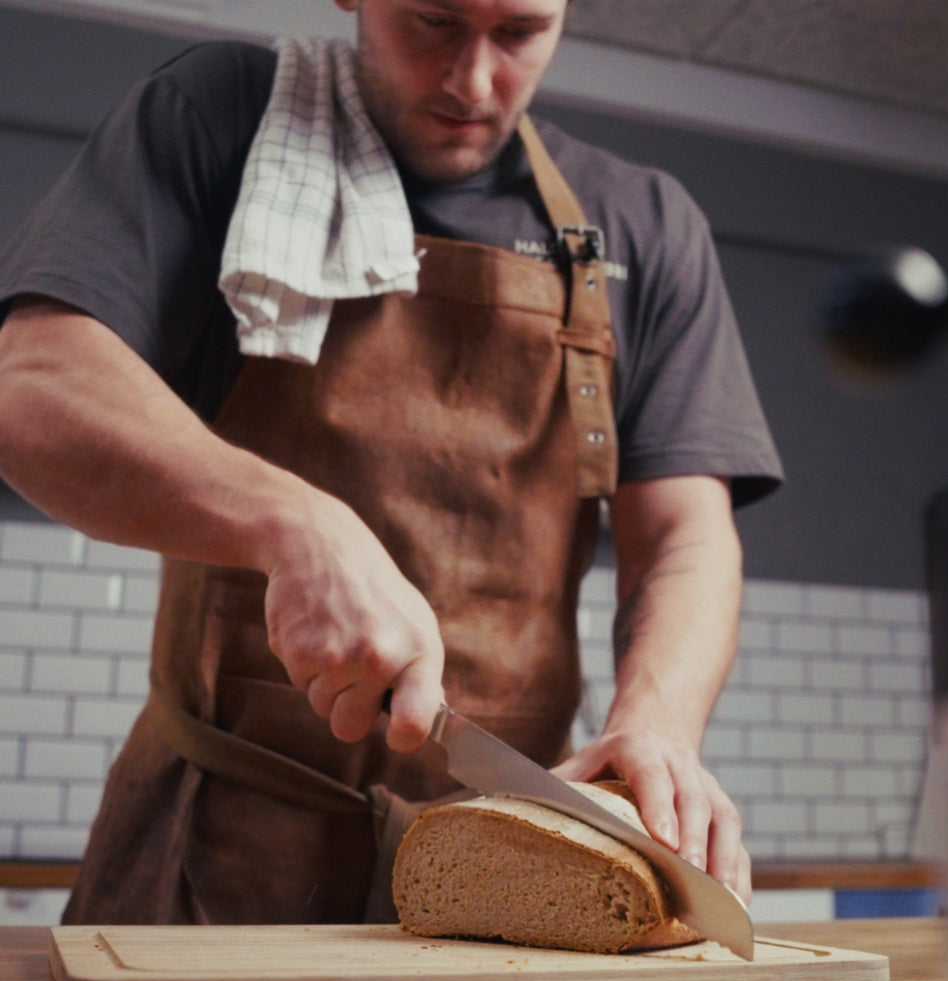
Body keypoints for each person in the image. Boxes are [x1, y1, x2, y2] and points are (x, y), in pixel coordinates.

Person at [0, 0, 782, 925]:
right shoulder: (217, 116)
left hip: (514, 868)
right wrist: (294, 524)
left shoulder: (644, 224)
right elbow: (33, 383)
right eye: (435, 21)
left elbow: (687, 537)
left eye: (520, 32)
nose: (474, 79)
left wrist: (655, 725)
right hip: (211, 852)